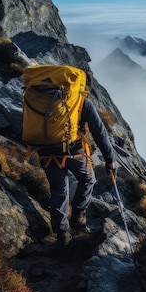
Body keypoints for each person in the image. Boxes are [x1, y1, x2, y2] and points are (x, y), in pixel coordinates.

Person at [38, 98, 115, 250]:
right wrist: (109, 159)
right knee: (87, 180)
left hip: (46, 151)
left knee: (58, 190)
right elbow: (99, 132)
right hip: (74, 152)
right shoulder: (79, 100)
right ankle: (78, 219)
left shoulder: (38, 96)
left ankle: (62, 236)